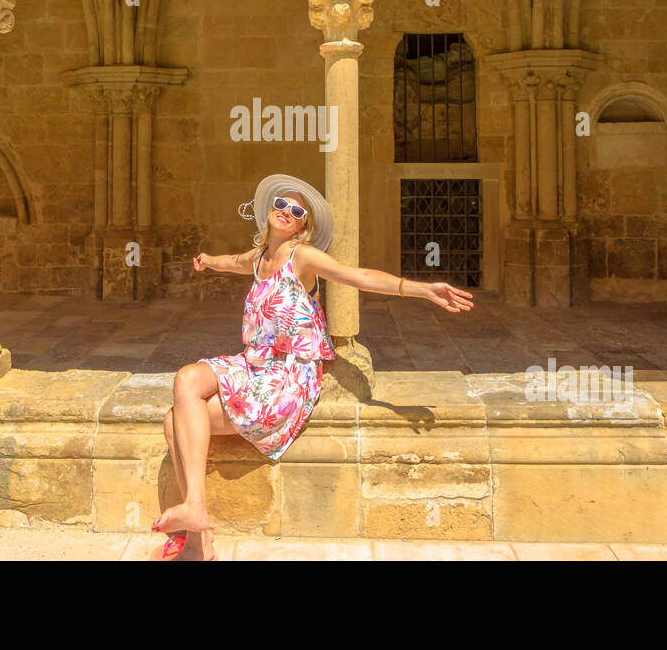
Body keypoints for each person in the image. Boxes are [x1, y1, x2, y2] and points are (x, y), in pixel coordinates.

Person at [151, 173, 473, 560]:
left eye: (297, 210)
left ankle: (197, 530)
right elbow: (230, 261)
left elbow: (359, 276)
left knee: (175, 420)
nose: (286, 212)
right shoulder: (258, 259)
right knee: (187, 378)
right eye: (281, 205)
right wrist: (205, 261)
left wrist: (421, 288)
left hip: (285, 380)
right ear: (269, 211)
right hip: (253, 365)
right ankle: (198, 521)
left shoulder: (301, 258)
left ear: (305, 225)